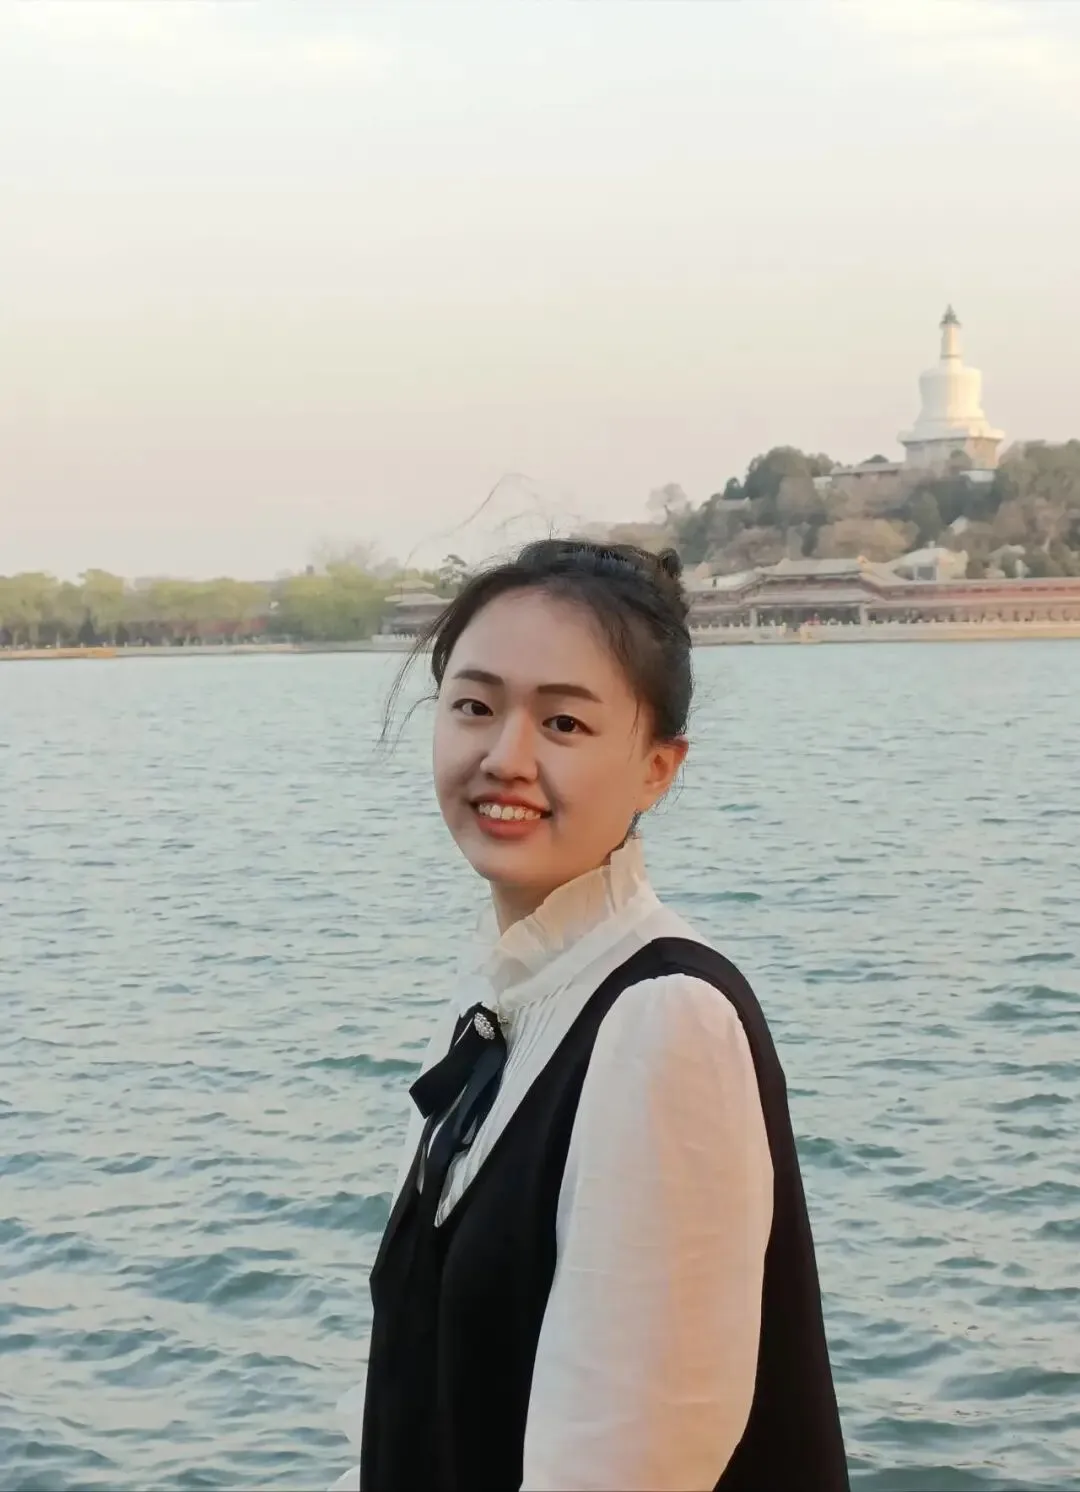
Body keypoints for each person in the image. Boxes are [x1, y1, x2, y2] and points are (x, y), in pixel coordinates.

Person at [331, 539, 848, 1492]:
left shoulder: (664, 1020)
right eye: (474, 707)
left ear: (658, 768)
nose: (506, 757)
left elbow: (630, 1467)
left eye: (563, 723)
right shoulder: (509, 998)